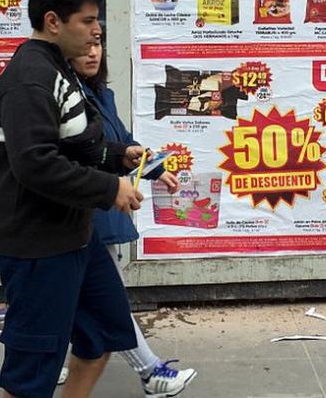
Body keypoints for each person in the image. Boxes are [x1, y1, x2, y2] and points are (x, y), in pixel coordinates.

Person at [0, 0, 146, 398]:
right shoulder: (29, 77)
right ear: (53, 22)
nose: (97, 31)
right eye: (88, 21)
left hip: (75, 235)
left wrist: (116, 156)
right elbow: (35, 163)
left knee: (103, 334)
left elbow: (74, 143)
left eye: (98, 20)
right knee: (31, 372)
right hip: (37, 246)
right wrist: (109, 190)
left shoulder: (60, 69)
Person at [68, 40, 199, 397]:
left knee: (87, 298)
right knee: (106, 300)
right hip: (84, 211)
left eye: (97, 46)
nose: (92, 53)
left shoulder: (102, 94)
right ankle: (149, 371)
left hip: (106, 210)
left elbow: (122, 143)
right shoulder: (65, 99)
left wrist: (154, 169)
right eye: (84, 48)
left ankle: (62, 357)